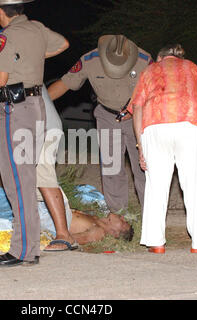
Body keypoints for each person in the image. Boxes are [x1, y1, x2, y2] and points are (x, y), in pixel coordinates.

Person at [0, 0, 69, 267]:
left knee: (17, 182)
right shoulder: (37, 28)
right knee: (26, 179)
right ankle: (29, 250)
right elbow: (63, 44)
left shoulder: (4, 37)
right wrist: (30, 57)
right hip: (37, 107)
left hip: (14, 111)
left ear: (0, 12)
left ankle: (21, 251)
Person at [127, 44, 197, 254]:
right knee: (193, 185)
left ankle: (155, 242)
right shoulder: (195, 69)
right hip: (189, 125)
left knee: (155, 186)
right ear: (180, 57)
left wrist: (141, 145)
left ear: (160, 57)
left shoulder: (148, 71)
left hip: (155, 126)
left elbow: (138, 107)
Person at [48, 35, 152, 214]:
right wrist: (39, 102)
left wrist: (135, 110)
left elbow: (157, 93)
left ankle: (151, 215)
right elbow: (65, 83)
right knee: (112, 168)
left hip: (139, 116)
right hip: (106, 116)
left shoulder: (145, 61)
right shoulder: (89, 60)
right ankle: (118, 214)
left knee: (143, 166)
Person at [68, 210, 134, 246]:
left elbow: (66, 240)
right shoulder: (95, 218)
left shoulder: (98, 232)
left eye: (123, 222)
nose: (122, 217)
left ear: (115, 233)